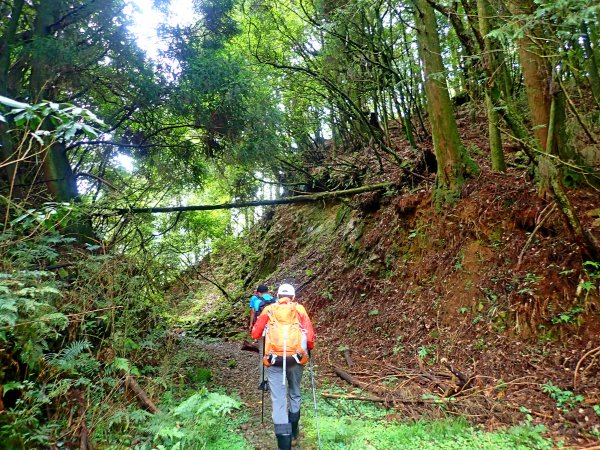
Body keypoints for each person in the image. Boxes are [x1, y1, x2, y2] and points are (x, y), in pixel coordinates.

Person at [252, 283, 315, 450]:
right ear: (293, 297)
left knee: (279, 401)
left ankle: (284, 446)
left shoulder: (269, 310)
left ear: (277, 296)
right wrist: (309, 348)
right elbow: (309, 338)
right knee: (295, 393)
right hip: (296, 359)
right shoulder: (299, 309)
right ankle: (293, 434)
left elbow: (255, 333)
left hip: (274, 361)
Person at [249, 284, 275, 389]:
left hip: (262, 332)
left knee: (262, 355)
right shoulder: (275, 300)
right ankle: (273, 380)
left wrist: (251, 325)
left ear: (259, 293)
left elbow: (253, 313)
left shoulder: (257, 301)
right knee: (273, 354)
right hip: (274, 332)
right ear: (268, 291)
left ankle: (264, 381)